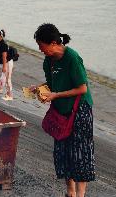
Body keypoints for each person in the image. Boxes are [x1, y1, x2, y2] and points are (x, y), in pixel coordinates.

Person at [31, 23, 95, 197]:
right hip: (61, 113)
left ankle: (80, 195)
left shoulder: (72, 57)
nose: (40, 50)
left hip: (79, 110)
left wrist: (56, 95)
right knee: (63, 153)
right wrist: (39, 88)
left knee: (80, 153)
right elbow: (52, 85)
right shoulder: (48, 60)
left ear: (53, 43)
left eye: (41, 46)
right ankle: (70, 193)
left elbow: (82, 88)